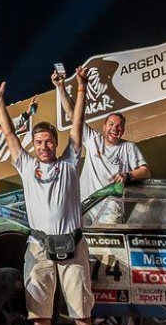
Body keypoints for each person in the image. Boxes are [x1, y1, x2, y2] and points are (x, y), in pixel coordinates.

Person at [0, 68, 95, 325]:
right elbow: (9, 135)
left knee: (81, 314)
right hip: (39, 249)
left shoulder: (70, 162)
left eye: (49, 142)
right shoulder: (26, 164)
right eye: (39, 142)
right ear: (32, 145)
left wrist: (82, 87)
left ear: (55, 143)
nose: (44, 147)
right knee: (39, 317)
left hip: (73, 247)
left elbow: (78, 125)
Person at [53, 75, 150, 224]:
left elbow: (145, 171)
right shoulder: (93, 139)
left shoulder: (128, 147)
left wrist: (127, 175)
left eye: (119, 126)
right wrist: (60, 87)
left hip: (110, 207)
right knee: (77, 241)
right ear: (104, 127)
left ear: (122, 131)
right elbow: (73, 114)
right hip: (85, 203)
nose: (115, 128)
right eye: (111, 124)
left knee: (106, 247)